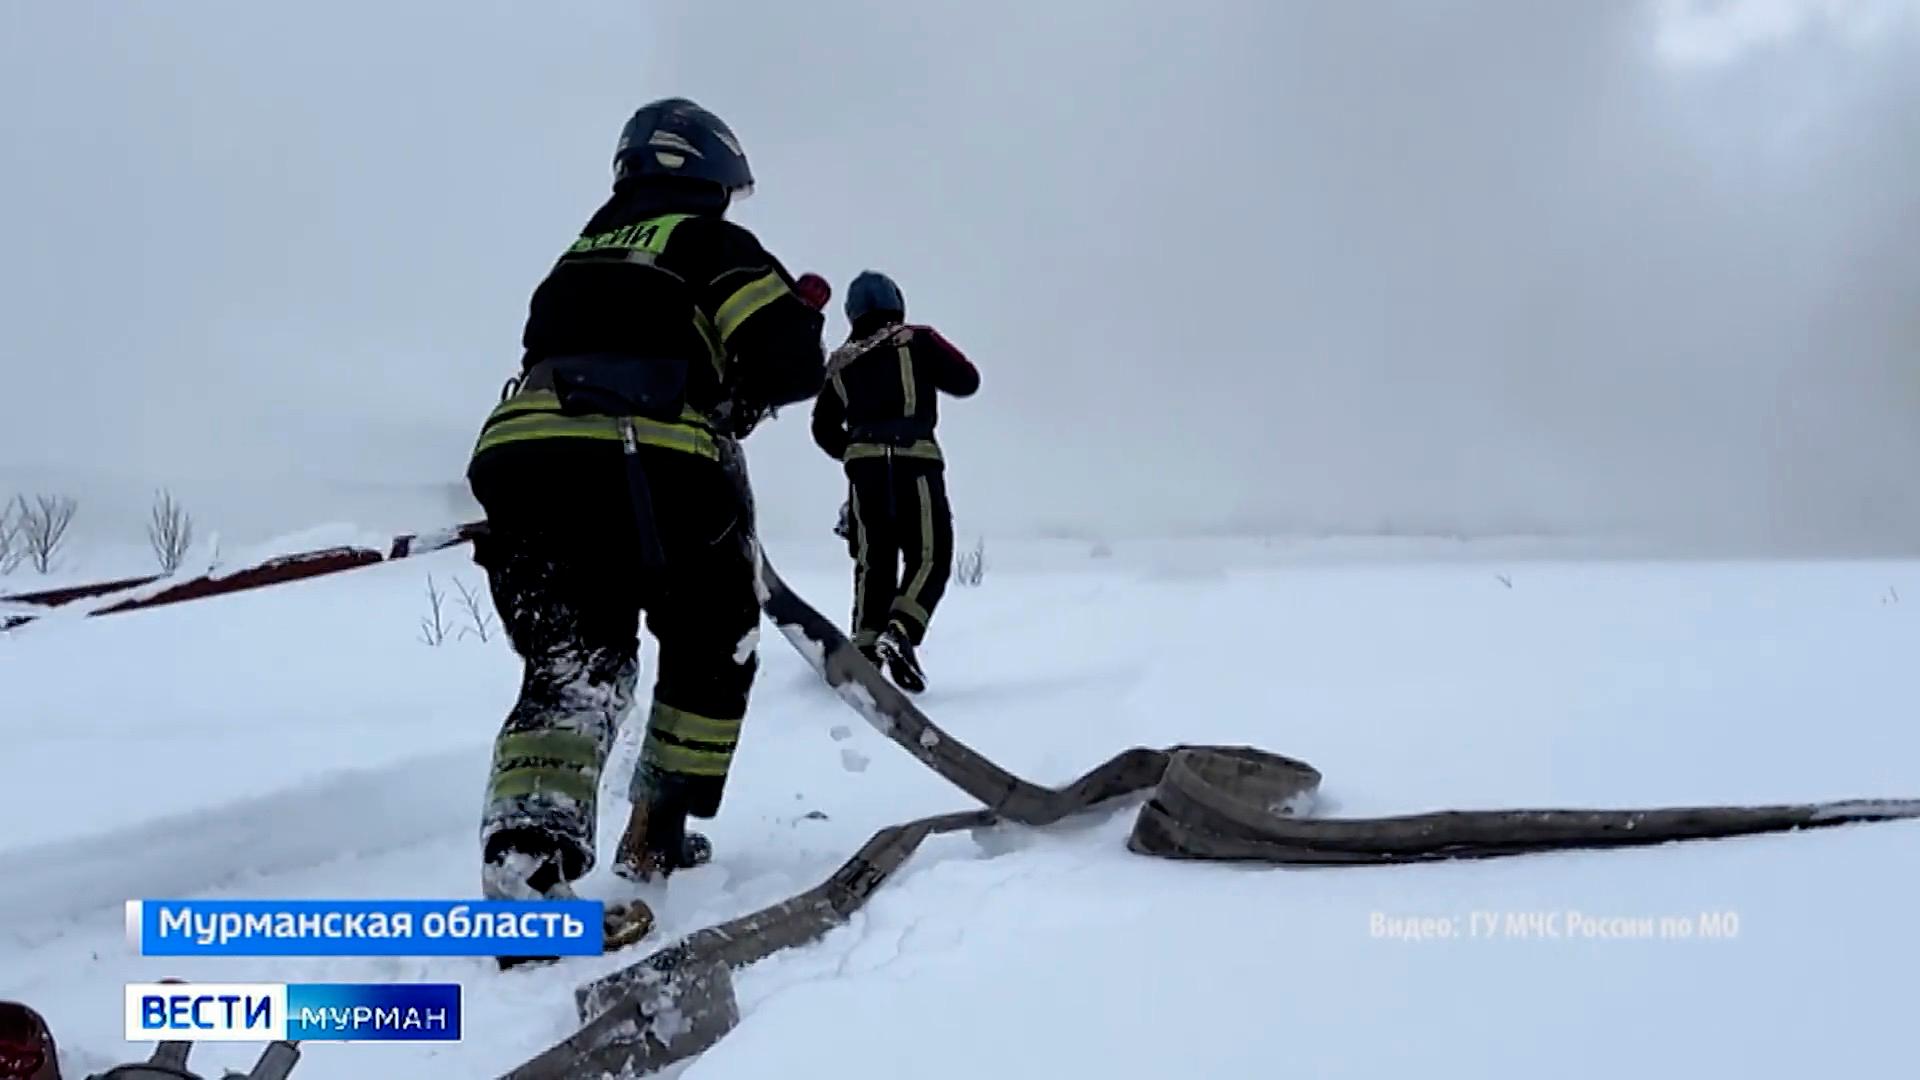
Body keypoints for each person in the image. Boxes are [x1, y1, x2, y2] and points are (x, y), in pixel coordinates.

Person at [464, 97, 830, 910]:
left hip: (522, 461)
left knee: (573, 661)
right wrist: (799, 323)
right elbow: (788, 363)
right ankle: (655, 834)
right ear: (703, 171)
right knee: (712, 639)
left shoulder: (578, 256)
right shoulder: (708, 240)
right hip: (643, 462)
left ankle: (527, 866)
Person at [809, 271, 979, 693]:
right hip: (914, 459)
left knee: (874, 560)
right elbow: (967, 380)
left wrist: (852, 451)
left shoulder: (841, 363)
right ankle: (901, 629)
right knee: (931, 554)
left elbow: (822, 427)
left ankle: (865, 650)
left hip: (865, 467)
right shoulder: (915, 340)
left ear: (852, 313)